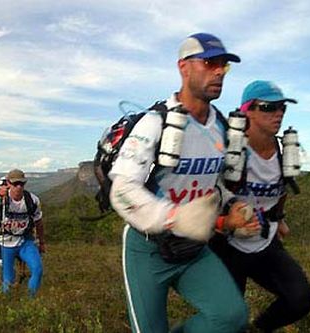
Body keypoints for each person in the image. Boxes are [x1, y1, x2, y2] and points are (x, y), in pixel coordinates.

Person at [109, 33, 253, 333]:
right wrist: (174, 217)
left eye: (224, 66)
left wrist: (233, 207)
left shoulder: (223, 127)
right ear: (183, 67)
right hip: (147, 249)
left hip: (193, 247)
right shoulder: (156, 122)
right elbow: (122, 191)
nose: (218, 72)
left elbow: (220, 183)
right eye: (210, 62)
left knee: (231, 317)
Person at [209, 80, 310, 333]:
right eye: (269, 107)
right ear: (248, 111)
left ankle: (260, 328)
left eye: (282, 108)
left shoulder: (283, 151)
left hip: (264, 240)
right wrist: (223, 222)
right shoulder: (228, 151)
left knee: (300, 299)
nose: (278, 113)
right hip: (227, 243)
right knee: (231, 319)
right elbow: (201, 195)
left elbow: (283, 186)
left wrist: (279, 217)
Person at [0, 169, 44, 297]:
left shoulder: (32, 200)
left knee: (37, 269)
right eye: (15, 184)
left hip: (25, 240)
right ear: (9, 184)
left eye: (21, 184)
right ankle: (7, 304)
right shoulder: (1, 198)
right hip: (6, 242)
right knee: (8, 280)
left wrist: (41, 242)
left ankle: (30, 301)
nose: (18, 187)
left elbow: (39, 221)